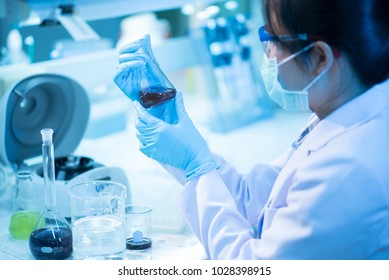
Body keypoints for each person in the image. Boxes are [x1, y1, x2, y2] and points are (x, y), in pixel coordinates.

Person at [114, 0, 389, 259]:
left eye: (272, 39)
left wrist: (197, 167)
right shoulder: (342, 112)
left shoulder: (349, 168)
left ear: (319, 57)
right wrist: (168, 120)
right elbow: (253, 201)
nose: (268, 54)